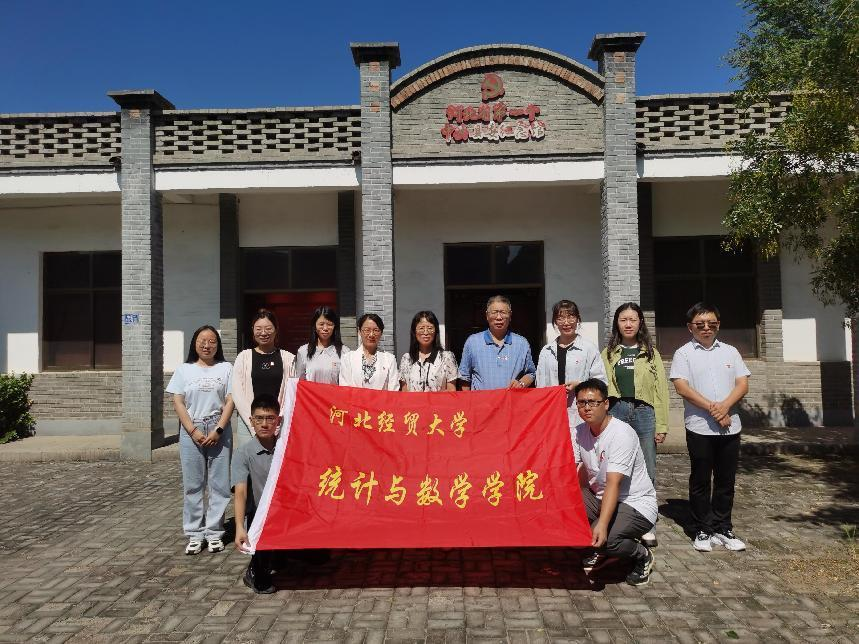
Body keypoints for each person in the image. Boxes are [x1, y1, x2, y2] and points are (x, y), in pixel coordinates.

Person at [670, 302, 751, 553]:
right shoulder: (683, 353)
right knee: (701, 480)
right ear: (690, 327)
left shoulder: (730, 351)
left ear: (718, 325)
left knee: (726, 480)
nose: (706, 328)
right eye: (700, 324)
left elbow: (742, 384)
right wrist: (714, 410)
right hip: (699, 427)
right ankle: (702, 528)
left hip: (730, 427)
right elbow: (682, 388)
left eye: (711, 323)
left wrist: (724, 407)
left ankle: (723, 527)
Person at [572, 378, 657, 586]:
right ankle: (597, 546)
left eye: (593, 402)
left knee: (609, 540)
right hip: (599, 496)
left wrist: (601, 524)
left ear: (606, 404)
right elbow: (571, 469)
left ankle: (642, 554)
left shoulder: (621, 433)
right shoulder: (579, 431)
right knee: (566, 512)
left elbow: (613, 484)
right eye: (581, 403)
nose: (587, 408)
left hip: (634, 502)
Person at [601, 302, 669, 548]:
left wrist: (662, 424)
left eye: (633, 319)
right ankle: (618, 516)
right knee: (617, 466)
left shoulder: (651, 352)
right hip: (617, 410)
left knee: (647, 467)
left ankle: (647, 523)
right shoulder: (608, 353)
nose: (628, 324)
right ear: (616, 324)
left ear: (640, 323)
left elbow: (661, 390)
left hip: (644, 412)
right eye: (623, 320)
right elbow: (601, 384)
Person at [166, 325, 235, 555]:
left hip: (218, 429)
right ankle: (195, 534)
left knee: (220, 485)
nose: (207, 345)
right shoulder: (184, 370)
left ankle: (214, 532)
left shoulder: (226, 368)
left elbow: (231, 400)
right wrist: (193, 430)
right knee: (193, 485)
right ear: (194, 343)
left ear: (218, 345)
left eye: (212, 341)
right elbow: (178, 402)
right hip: (191, 430)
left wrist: (219, 429)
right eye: (202, 341)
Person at [232, 393, 281, 594]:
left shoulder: (286, 448)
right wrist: (239, 527)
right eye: (259, 419)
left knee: (317, 558)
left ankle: (281, 555)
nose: (265, 424)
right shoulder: (243, 453)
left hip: (285, 512)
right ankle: (254, 571)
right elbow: (240, 493)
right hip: (260, 516)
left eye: (270, 418)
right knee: (263, 583)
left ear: (278, 420)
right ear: (251, 421)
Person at [231, 309, 296, 447]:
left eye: (268, 328)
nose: (263, 333)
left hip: (279, 424)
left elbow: (292, 393)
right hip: (248, 423)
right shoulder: (243, 357)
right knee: (249, 459)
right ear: (253, 330)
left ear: (276, 330)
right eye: (258, 329)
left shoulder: (289, 359)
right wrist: (254, 421)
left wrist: (277, 421)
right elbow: (237, 393)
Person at [536, 298, 606, 413]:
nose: (566, 322)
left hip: (581, 412)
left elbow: (601, 382)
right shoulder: (546, 351)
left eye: (571, 317)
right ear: (555, 322)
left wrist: (580, 384)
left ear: (578, 319)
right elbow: (540, 386)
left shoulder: (589, 349)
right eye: (560, 318)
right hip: (552, 411)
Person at [459, 295, 536, 391]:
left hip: (512, 399)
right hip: (481, 400)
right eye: (494, 312)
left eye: (503, 312)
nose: (499, 317)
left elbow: (531, 373)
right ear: (487, 315)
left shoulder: (522, 344)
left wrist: (521, 383)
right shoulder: (472, 342)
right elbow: (464, 377)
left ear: (510, 315)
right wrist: (468, 399)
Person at [399, 310, 458, 392]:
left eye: (430, 328)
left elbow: (451, 390)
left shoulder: (446, 357)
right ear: (414, 331)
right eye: (421, 328)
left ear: (436, 331)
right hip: (413, 401)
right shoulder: (406, 359)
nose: (426, 332)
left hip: (439, 401)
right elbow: (404, 391)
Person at [339, 313, 399, 390]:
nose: (371, 335)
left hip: (382, 398)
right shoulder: (348, 358)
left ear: (381, 333)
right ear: (359, 331)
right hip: (355, 398)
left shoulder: (389, 359)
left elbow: (393, 390)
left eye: (376, 330)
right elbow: (344, 388)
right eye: (367, 330)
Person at [296, 306, 350, 384]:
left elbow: (347, 383)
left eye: (329, 324)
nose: (325, 328)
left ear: (335, 326)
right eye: (321, 324)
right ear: (314, 326)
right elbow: (299, 383)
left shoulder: (345, 352)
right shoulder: (303, 351)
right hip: (311, 392)